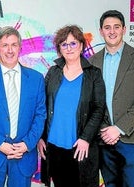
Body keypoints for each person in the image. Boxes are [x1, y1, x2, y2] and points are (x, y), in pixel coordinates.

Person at [0, 26, 46, 187]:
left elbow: (40, 116)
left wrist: (27, 144)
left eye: (14, 45)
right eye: (5, 45)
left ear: (20, 47)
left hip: (23, 156)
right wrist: (0, 144)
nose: (10, 50)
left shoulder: (36, 78)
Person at [38, 25, 106, 187]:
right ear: (59, 49)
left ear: (81, 45)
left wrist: (85, 138)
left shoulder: (93, 74)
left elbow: (98, 109)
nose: (69, 48)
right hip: (53, 146)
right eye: (64, 44)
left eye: (73, 43)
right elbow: (42, 106)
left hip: (80, 147)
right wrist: (41, 137)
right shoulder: (53, 72)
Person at [89, 10, 134, 187]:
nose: (112, 31)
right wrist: (105, 129)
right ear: (101, 31)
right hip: (104, 140)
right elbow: (90, 102)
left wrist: (119, 128)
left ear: (124, 29)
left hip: (132, 139)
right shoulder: (92, 62)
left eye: (116, 27)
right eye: (107, 27)